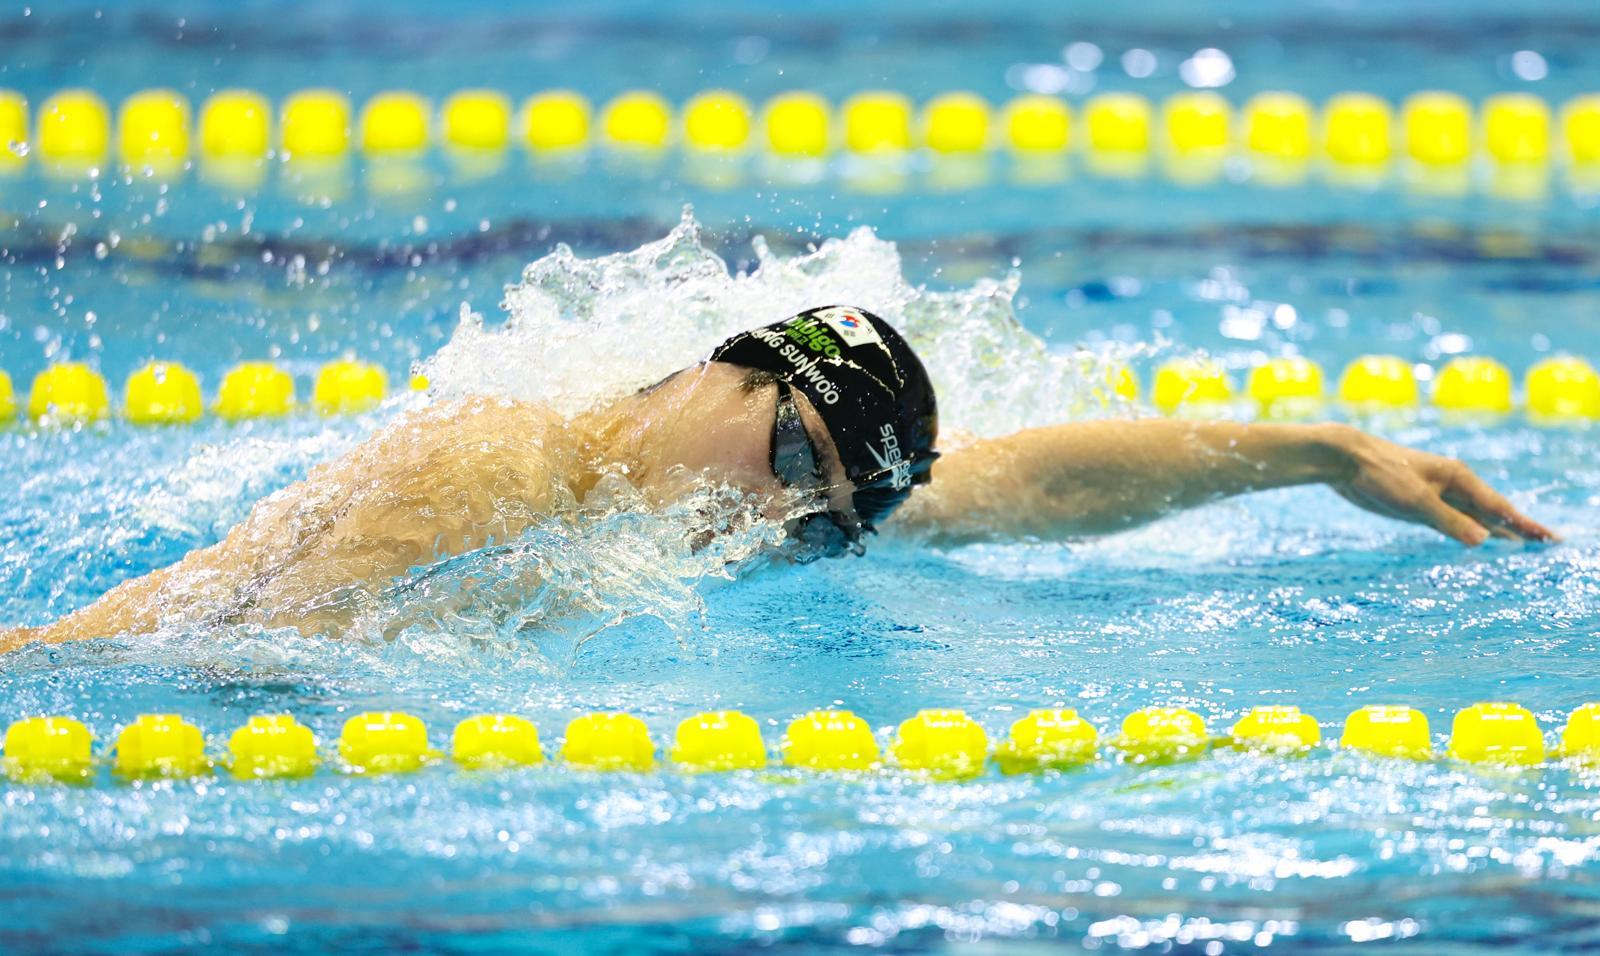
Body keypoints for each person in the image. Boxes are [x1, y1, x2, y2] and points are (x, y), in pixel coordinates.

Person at [0, 305, 1554, 655]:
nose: (785, 515)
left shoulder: (736, 513)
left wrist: (1317, 453)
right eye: (794, 458)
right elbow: (260, 665)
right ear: (721, 368)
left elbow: (1023, 482)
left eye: (830, 517)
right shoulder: (499, 460)